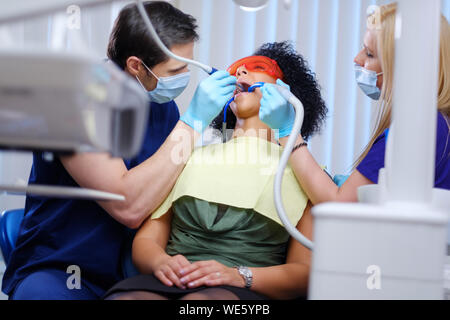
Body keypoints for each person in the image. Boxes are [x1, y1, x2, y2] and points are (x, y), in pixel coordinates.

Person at [2, 1, 236, 300]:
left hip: (130, 272)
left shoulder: (162, 108)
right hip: (61, 268)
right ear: (136, 65)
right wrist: (193, 123)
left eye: (187, 67)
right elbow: (128, 206)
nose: (184, 76)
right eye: (176, 69)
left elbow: (168, 187)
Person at [103, 41, 328, 300]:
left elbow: (303, 273)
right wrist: (160, 263)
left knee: (198, 304)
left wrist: (239, 276)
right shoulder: (188, 155)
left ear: (289, 92)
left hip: (244, 289)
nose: (240, 73)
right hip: (171, 281)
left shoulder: (307, 174)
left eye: (256, 67)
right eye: (236, 69)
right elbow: (147, 242)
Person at [258, 3, 450, 205]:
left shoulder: (418, 128)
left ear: (406, 67)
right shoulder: (434, 123)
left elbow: (337, 203)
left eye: (369, 54)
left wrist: (288, 132)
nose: (357, 59)